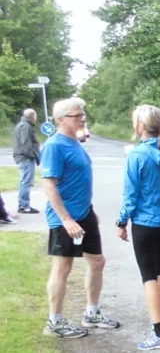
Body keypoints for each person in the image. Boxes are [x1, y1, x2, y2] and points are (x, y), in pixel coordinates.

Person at [40, 98, 120, 339]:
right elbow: (49, 186)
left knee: (97, 262)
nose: (83, 117)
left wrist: (90, 213)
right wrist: (66, 219)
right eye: (77, 114)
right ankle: (54, 321)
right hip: (65, 219)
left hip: (84, 214)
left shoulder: (74, 142)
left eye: (82, 113)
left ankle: (92, 313)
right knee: (62, 267)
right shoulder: (55, 145)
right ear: (61, 119)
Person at [116, 105, 160, 351]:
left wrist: (121, 222)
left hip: (145, 221)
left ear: (140, 126)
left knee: (148, 274)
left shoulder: (137, 155)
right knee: (159, 268)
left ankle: (158, 330)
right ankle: (158, 318)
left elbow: (131, 195)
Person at [13, 108, 41, 214]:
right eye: (35, 117)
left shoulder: (22, 125)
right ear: (32, 117)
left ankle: (23, 204)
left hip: (24, 157)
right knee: (26, 182)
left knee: (25, 181)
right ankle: (24, 206)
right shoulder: (25, 126)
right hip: (26, 158)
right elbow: (25, 144)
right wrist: (32, 155)